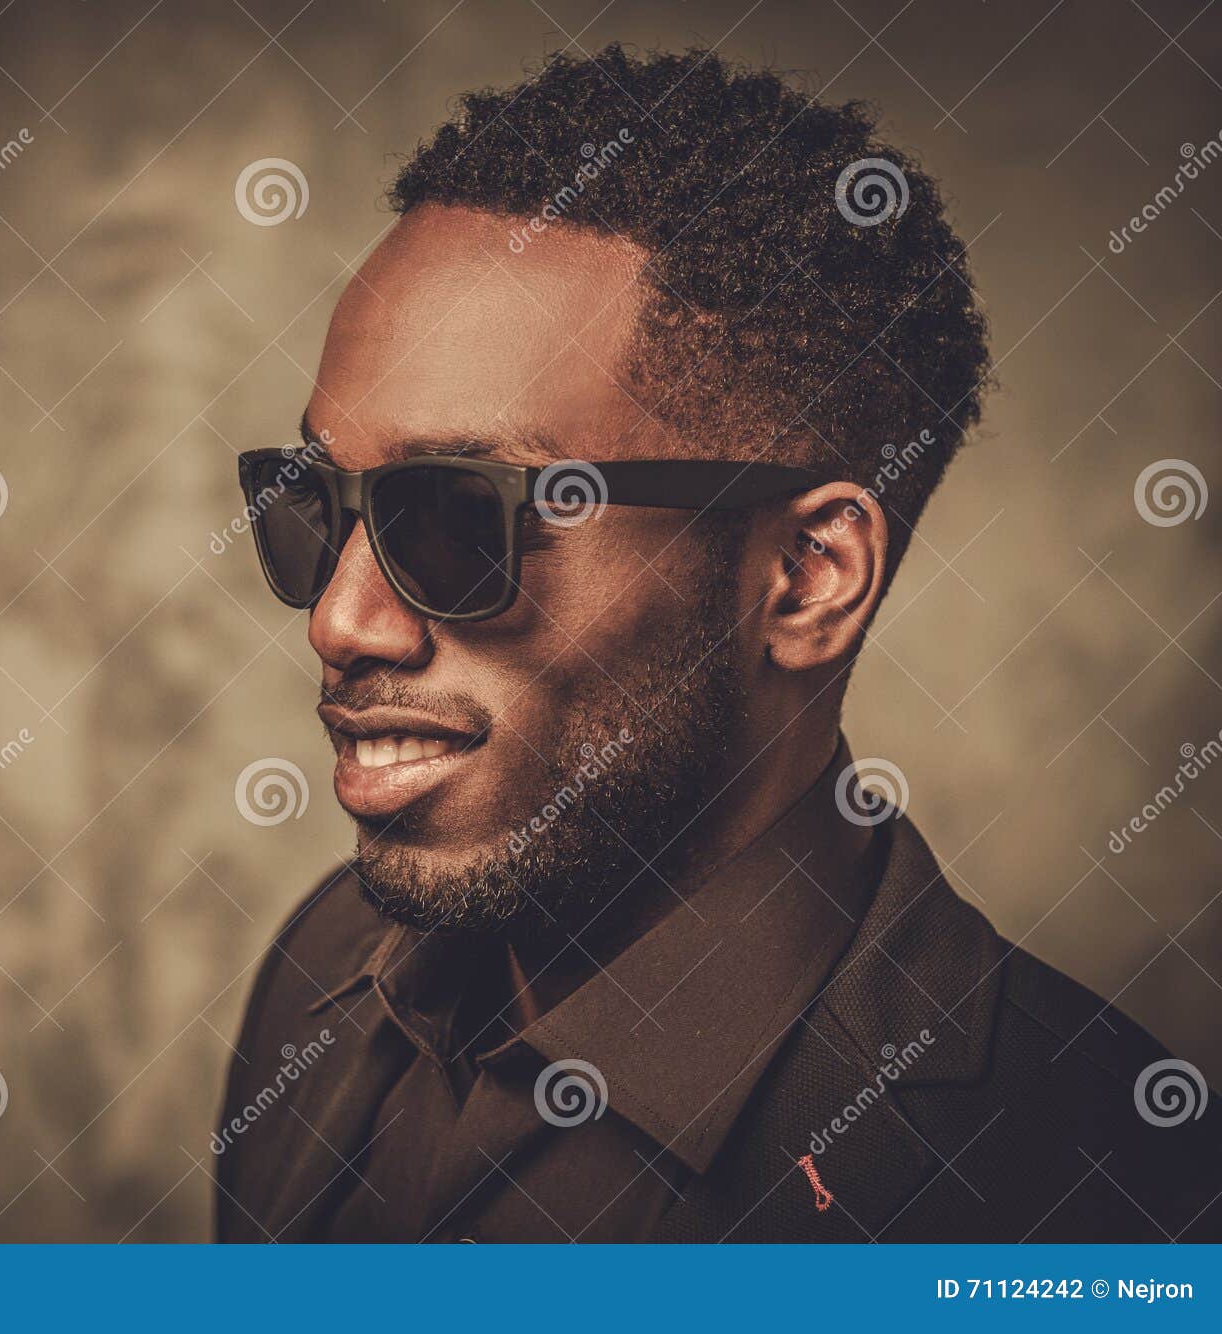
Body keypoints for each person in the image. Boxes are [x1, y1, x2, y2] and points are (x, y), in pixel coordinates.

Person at [215, 45, 1220, 1243]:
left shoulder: (1087, 1199)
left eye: (455, 516)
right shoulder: (323, 971)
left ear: (806, 578)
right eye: (314, 498)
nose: (338, 619)